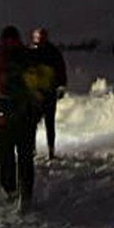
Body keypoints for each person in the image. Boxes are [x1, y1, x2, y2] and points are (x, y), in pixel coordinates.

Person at [0, 26, 41, 214]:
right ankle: (27, 195)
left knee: (6, 154)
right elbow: (40, 81)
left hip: (5, 116)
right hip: (26, 114)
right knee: (25, 156)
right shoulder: (29, 56)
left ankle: (10, 189)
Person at [30, 27, 68, 159]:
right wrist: (61, 86)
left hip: (40, 94)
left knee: (36, 123)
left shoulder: (32, 52)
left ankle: (36, 150)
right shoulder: (52, 52)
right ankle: (47, 151)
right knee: (45, 123)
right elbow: (61, 70)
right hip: (44, 93)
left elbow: (60, 70)